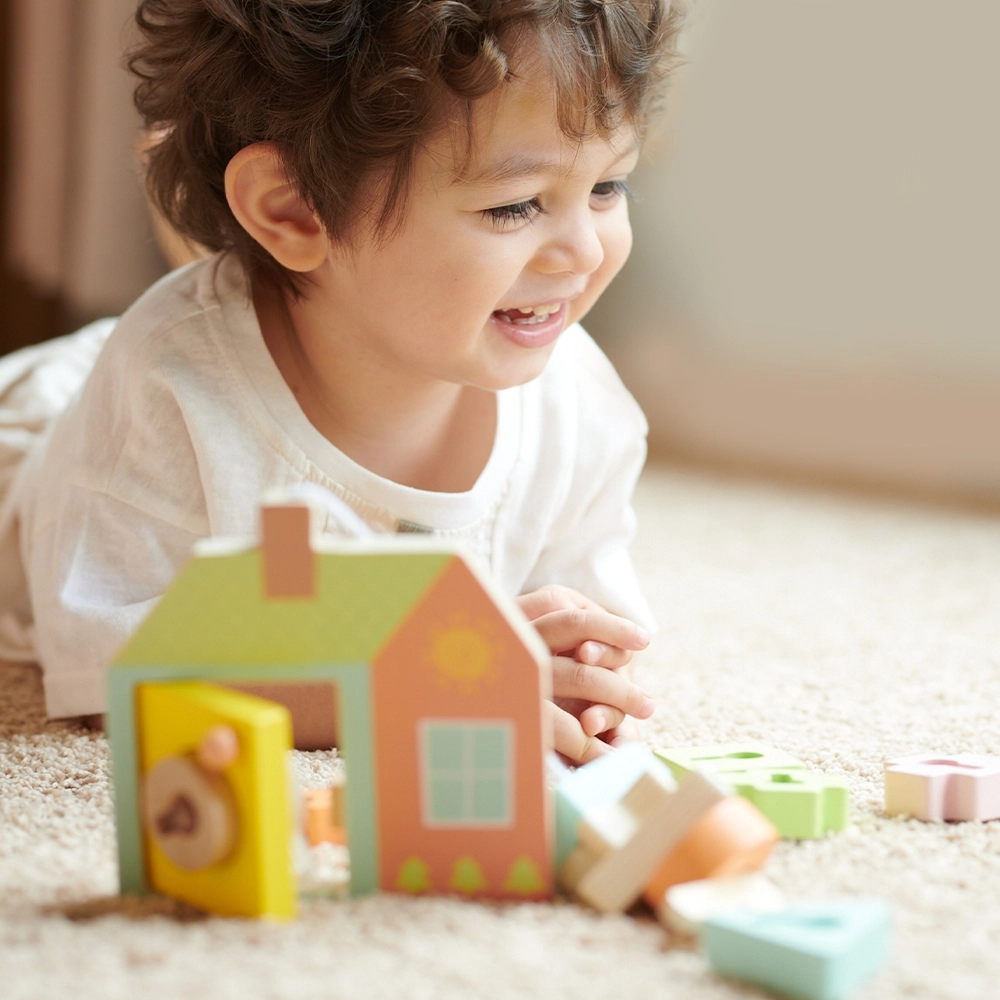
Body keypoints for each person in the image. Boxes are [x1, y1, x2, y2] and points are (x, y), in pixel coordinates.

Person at [0, 0, 685, 763]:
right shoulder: (166, 393)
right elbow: (115, 676)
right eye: (515, 205)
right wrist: (398, 684)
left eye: (609, 187)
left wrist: (583, 678)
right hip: (40, 436)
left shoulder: (578, 404)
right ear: (292, 209)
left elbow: (582, 626)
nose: (585, 251)